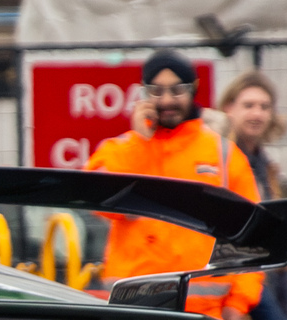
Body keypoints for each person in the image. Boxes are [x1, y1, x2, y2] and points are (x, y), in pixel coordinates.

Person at [81, 50, 265, 319]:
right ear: (144, 93)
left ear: (194, 90)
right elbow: (99, 201)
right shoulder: (121, 149)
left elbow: (252, 233)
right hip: (133, 307)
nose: (167, 100)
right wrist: (139, 144)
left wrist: (239, 303)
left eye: (177, 90)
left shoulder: (223, 155)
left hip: (205, 311)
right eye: (157, 91)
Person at [219, 72, 287, 320]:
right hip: (237, 272)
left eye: (264, 107)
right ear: (229, 109)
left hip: (270, 272)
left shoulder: (266, 166)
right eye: (249, 105)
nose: (257, 114)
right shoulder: (219, 160)